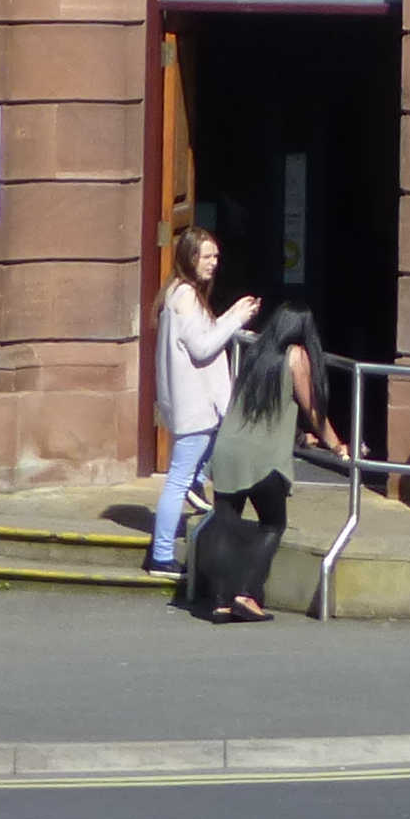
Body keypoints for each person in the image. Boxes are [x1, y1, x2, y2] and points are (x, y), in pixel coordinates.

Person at [180, 300, 337, 622]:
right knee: (272, 524)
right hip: (264, 458)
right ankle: (247, 594)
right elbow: (313, 410)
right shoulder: (296, 355)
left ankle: (220, 601)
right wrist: (337, 446)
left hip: (228, 451)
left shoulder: (255, 353)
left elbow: (265, 407)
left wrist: (297, 436)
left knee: (226, 522)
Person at [148, 217, 259, 574]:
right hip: (195, 407)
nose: (214, 263)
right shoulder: (184, 296)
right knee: (177, 481)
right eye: (207, 256)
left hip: (198, 406)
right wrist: (236, 317)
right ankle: (161, 555)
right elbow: (202, 345)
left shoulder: (181, 294)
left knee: (196, 465)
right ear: (190, 257)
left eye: (215, 257)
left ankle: (197, 483)